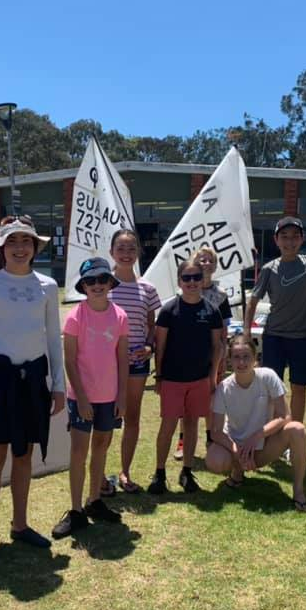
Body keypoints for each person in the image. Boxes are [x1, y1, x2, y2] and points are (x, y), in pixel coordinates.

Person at [0, 215, 65, 562]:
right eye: (13, 242)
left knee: (23, 453)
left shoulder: (48, 286)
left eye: (26, 241)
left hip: (33, 379)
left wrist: (58, 386)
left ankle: (20, 524)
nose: (20, 248)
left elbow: (53, 338)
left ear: (35, 247)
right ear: (2, 248)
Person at [52, 257, 128, 538]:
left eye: (101, 279)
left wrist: (121, 395)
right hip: (81, 398)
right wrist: (81, 399)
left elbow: (122, 359)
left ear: (110, 282)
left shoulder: (120, 316)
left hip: (109, 398)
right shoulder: (75, 316)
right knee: (79, 453)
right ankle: (75, 510)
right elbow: (70, 361)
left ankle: (94, 500)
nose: (97, 285)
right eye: (90, 281)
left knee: (101, 448)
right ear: (83, 286)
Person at [205, 334, 306, 512]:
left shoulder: (268, 377)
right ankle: (237, 472)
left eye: (246, 356)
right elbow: (216, 431)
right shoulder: (223, 388)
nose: (241, 362)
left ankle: (298, 491)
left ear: (255, 359)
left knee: (298, 429)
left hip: (263, 446)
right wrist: (236, 450)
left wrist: (257, 436)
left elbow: (285, 416)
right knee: (214, 461)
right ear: (230, 361)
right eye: (236, 357)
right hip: (236, 446)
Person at [149, 255, 224, 494]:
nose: (192, 282)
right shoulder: (169, 309)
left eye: (196, 277)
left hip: (199, 379)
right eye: (187, 277)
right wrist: (159, 376)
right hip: (172, 379)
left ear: (203, 280)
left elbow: (218, 346)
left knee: (192, 425)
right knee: (168, 426)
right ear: (179, 281)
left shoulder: (211, 310)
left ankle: (187, 471)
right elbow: (159, 346)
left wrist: (212, 377)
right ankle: (159, 474)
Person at [243, 217, 306, 424]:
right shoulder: (269, 269)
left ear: (302, 239)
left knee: (299, 387)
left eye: (295, 237)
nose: (290, 242)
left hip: (304, 337)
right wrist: (246, 334)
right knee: (272, 388)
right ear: (276, 240)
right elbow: (252, 301)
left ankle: (293, 434)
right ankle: (272, 432)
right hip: (274, 337)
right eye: (284, 237)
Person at [108, 229, 162, 494]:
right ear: (112, 253)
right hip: (105, 366)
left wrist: (150, 346)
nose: (126, 253)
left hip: (137, 365)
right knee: (104, 420)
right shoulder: (101, 286)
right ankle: (99, 476)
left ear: (138, 252)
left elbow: (151, 326)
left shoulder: (148, 289)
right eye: (121, 248)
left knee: (132, 417)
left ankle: (125, 472)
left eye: (131, 248)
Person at [171, 247, 233, 461]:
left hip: (212, 355)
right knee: (186, 402)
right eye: (201, 260)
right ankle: (182, 440)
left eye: (209, 260)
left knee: (211, 398)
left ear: (215, 266)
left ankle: (210, 438)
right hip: (188, 356)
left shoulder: (221, 295)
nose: (205, 263)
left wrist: (223, 356)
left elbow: (225, 330)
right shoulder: (184, 291)